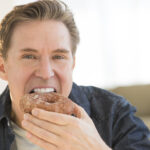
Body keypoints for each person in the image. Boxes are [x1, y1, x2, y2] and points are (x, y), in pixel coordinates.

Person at [0, 0, 149, 149]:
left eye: (58, 57)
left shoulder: (115, 113)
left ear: (72, 64)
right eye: (29, 56)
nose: (46, 73)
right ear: (2, 68)